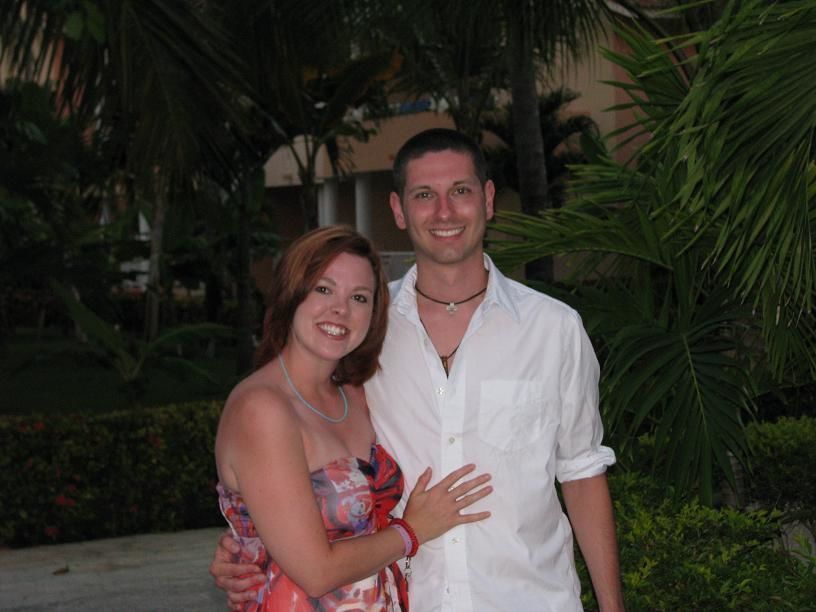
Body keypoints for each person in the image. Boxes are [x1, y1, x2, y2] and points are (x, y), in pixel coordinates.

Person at [212, 130, 625, 611]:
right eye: (425, 195)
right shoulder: (364, 333)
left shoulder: (553, 329)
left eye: (461, 191)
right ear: (398, 209)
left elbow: (581, 473)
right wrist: (252, 540)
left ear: (489, 199)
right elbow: (292, 445)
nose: (444, 212)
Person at [214, 225, 493, 611]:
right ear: (292, 293)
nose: (340, 309)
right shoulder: (261, 410)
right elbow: (315, 572)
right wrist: (413, 531)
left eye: (359, 297)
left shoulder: (358, 396)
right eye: (323, 289)